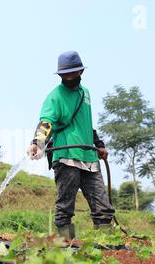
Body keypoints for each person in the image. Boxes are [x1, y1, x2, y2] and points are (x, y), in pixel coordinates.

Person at [27, 51, 115, 240]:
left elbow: (86, 122)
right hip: (66, 155)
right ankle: (66, 245)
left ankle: (108, 247)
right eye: (65, 75)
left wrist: (99, 144)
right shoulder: (55, 97)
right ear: (60, 76)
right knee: (66, 206)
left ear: (81, 72)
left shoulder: (86, 93)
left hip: (89, 157)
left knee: (103, 207)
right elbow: (46, 122)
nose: (69, 78)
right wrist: (37, 142)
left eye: (73, 74)